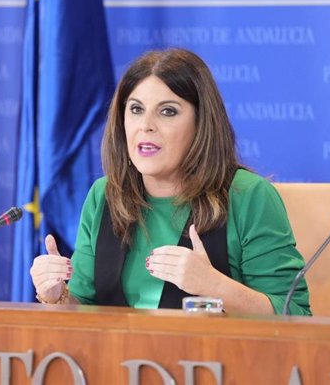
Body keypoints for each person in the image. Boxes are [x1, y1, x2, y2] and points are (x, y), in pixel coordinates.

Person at [30, 48, 310, 315]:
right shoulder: (104, 195)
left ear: (202, 124)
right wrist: (56, 297)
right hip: (121, 361)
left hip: (214, 362)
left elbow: (293, 315)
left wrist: (215, 286)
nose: (146, 125)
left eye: (168, 111)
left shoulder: (249, 196)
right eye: (136, 109)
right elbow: (85, 308)